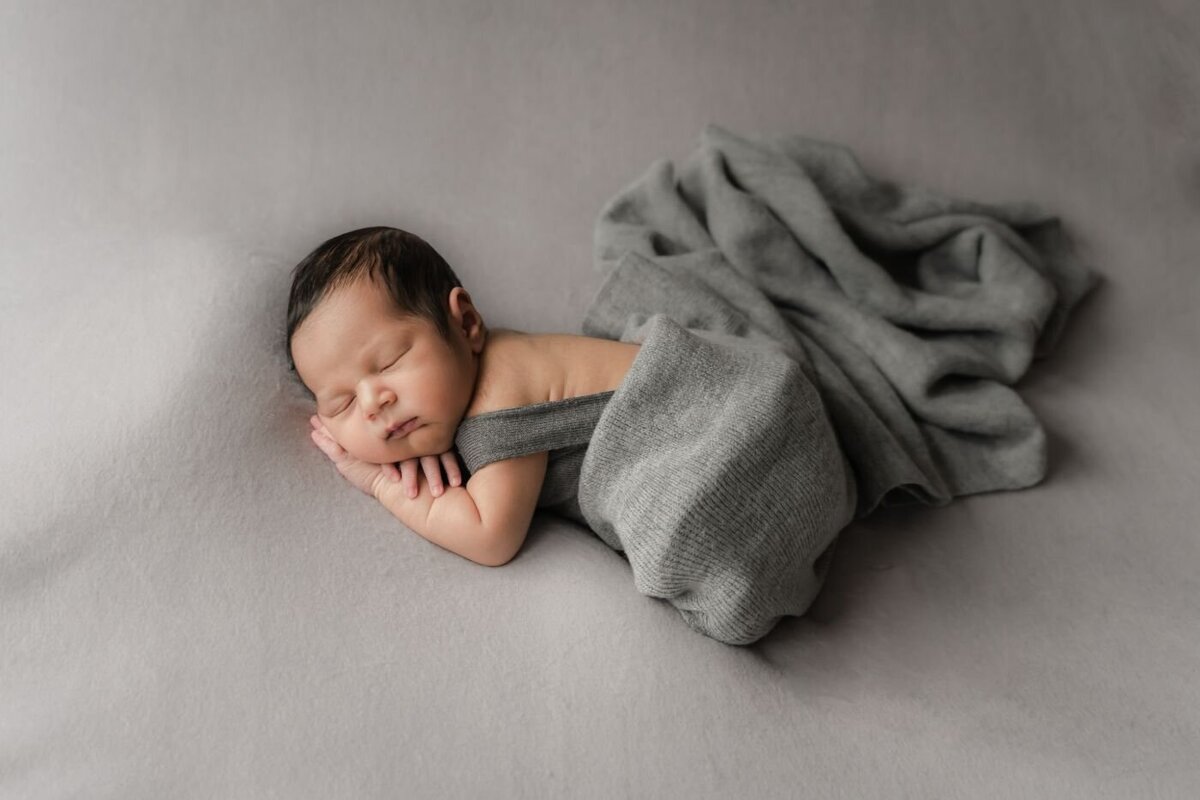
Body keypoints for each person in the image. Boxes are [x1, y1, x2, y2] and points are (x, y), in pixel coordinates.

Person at [285, 225, 639, 567]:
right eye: (342, 403)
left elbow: (490, 537)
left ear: (466, 323)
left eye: (389, 362)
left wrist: (381, 483)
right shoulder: (463, 386)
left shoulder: (500, 388)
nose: (372, 403)